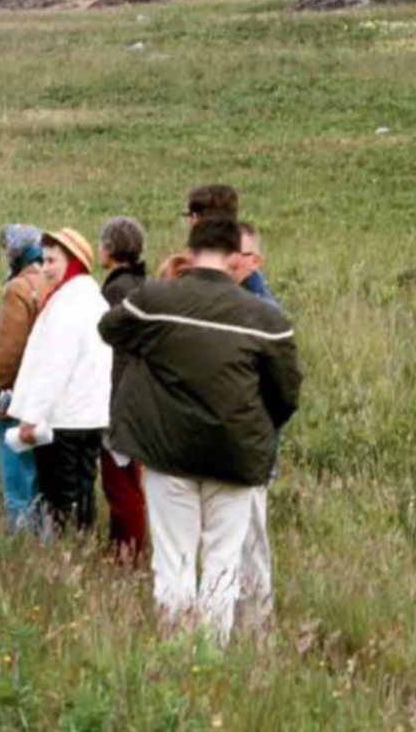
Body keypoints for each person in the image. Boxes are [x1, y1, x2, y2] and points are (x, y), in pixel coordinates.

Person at [98, 219, 302, 645]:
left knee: (173, 561)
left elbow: (110, 330)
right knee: (222, 563)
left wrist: (161, 298)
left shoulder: (155, 300)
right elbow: (286, 394)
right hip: (236, 456)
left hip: (167, 453)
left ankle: (176, 657)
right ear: (234, 257)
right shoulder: (266, 317)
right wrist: (255, 426)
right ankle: (211, 659)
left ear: (190, 253)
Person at [9, 228, 113, 533]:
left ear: (75, 262)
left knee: (61, 498)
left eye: (53, 260)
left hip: (63, 420)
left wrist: (31, 417)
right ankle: (82, 548)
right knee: (82, 492)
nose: (45, 268)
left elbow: (54, 367)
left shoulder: (68, 306)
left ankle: (69, 555)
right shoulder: (92, 300)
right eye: (43, 260)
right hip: (89, 416)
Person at [230, 220, 282, 634]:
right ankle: (234, 627)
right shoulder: (225, 303)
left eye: (240, 254)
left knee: (251, 544)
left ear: (256, 260)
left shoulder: (266, 312)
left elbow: (280, 392)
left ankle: (258, 631)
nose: (231, 261)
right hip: (226, 448)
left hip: (250, 449)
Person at [0, 225, 51, 530]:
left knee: (18, 481)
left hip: (18, 396)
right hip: (50, 396)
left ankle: (23, 543)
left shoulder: (18, 289)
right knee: (43, 479)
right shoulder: (53, 283)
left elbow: (9, 349)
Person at [98, 217, 150, 563]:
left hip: (120, 403)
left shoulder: (116, 292)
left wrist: (109, 407)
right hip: (139, 399)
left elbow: (114, 354)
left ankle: (128, 554)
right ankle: (126, 548)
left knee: (122, 485)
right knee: (129, 480)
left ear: (110, 249)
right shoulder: (142, 286)